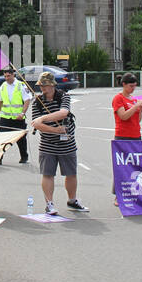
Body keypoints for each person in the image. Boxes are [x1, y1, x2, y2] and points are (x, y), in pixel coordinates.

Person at [31, 71, 86, 214]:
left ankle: (72, 200)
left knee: (71, 173)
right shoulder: (37, 101)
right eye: (41, 85)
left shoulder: (63, 96)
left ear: (53, 85)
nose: (43, 88)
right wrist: (54, 130)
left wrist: (43, 119)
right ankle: (49, 203)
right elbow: (36, 125)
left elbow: (63, 113)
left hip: (67, 142)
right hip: (47, 143)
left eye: (46, 85)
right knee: (48, 173)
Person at [112, 73, 142, 204]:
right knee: (122, 165)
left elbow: (138, 119)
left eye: (135, 86)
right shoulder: (118, 98)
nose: (133, 89)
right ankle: (117, 194)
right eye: (131, 86)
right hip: (123, 134)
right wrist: (136, 107)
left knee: (136, 165)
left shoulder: (134, 99)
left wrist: (140, 110)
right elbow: (123, 116)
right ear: (124, 85)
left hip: (135, 134)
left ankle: (133, 191)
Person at [0, 67, 33, 163]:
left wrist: (23, 113)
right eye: (5, 76)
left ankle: (24, 157)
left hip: (18, 118)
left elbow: (27, 100)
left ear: (13, 74)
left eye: (8, 76)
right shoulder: (3, 86)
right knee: (0, 139)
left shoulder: (21, 85)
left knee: (21, 139)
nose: (7, 78)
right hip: (5, 117)